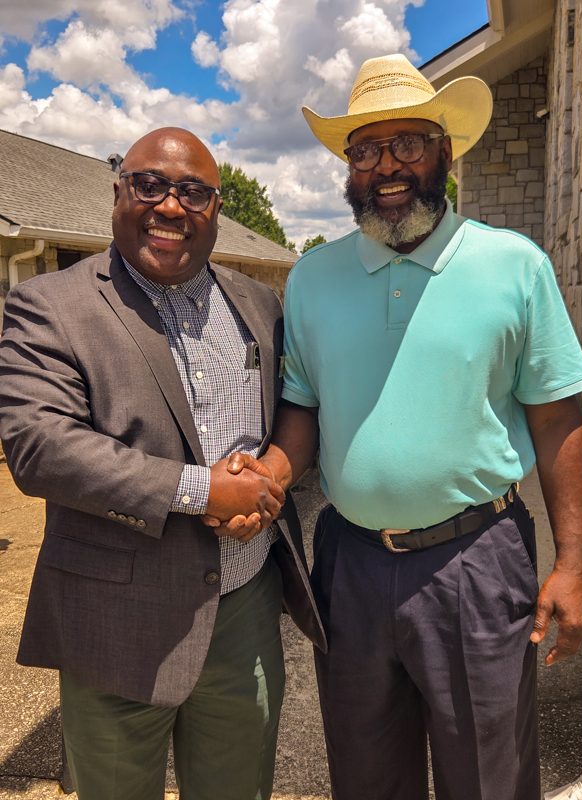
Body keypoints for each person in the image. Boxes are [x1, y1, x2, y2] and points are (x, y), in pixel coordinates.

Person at [207, 55, 582, 799]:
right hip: (349, 565)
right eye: (365, 150)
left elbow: (558, 420)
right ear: (349, 167)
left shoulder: (514, 265)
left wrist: (573, 566)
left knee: (489, 780)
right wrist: (270, 477)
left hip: (478, 560)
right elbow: (302, 408)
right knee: (366, 779)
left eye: (407, 144)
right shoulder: (314, 278)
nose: (385, 166)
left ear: (444, 151)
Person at [0, 127, 325, 800]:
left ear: (217, 208)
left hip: (244, 609)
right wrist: (202, 490)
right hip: (117, 619)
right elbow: (38, 444)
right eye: (149, 185)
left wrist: (267, 483)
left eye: (193, 192)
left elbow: (296, 412)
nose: (170, 206)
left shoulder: (259, 304)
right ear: (118, 191)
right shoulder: (50, 305)